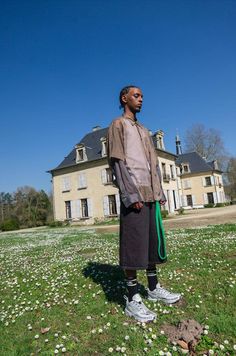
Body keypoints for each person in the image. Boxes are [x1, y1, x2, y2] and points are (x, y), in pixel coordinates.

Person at [107, 85, 181, 322]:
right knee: (133, 246)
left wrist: (158, 192)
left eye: (142, 97)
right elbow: (117, 162)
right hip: (134, 195)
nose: (140, 100)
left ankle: (153, 287)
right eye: (136, 96)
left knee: (150, 243)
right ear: (124, 98)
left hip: (150, 195)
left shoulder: (145, 130)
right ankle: (131, 298)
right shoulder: (117, 125)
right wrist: (131, 195)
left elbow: (153, 163)